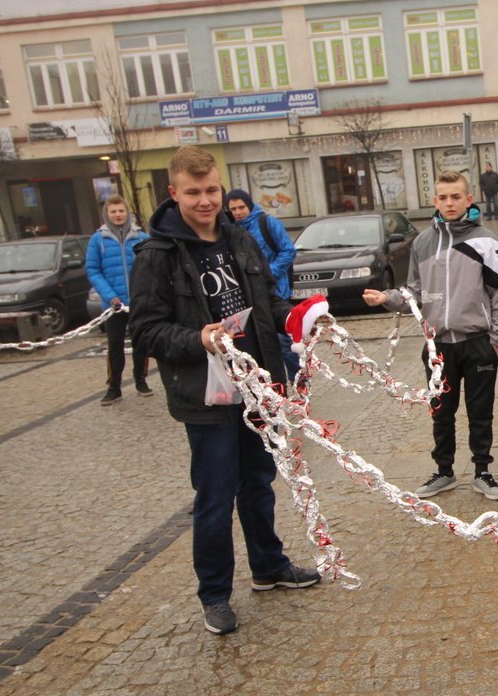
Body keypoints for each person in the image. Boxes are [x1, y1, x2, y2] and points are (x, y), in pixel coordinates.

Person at [128, 146, 323, 636]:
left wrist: (299, 316)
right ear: (173, 194)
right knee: (215, 497)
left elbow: (266, 305)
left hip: (256, 388)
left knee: (258, 484)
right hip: (206, 396)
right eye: (193, 192)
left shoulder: (240, 239)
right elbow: (147, 331)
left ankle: (268, 566)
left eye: (211, 190)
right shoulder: (157, 256)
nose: (205, 200)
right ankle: (214, 593)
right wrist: (197, 338)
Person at [362, 171, 498, 501]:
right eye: (443, 197)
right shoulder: (422, 243)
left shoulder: (488, 241)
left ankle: (482, 472)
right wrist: (387, 298)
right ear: (434, 201)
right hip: (438, 347)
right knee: (441, 412)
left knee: (480, 413)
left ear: (468, 199)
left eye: (456, 196)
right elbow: (415, 291)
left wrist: (496, 340)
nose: (449, 203)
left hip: (478, 343)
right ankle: (444, 472)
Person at [224, 188, 300, 382]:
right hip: (248, 296)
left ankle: (298, 380)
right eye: (233, 208)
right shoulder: (229, 230)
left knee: (284, 342)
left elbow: (288, 251)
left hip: (275, 291)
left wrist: (268, 274)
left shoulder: (267, 222)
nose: (238, 212)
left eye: (241, 207)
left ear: (249, 205)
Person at [85, 194, 152, 406]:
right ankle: (114, 386)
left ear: (127, 212)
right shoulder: (98, 240)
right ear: (107, 214)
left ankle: (141, 380)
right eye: (113, 212)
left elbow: (150, 267)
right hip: (113, 304)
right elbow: (93, 270)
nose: (118, 215)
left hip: (138, 301)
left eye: (121, 211)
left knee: (141, 343)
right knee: (115, 346)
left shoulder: (141, 237)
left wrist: (145, 293)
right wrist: (110, 296)